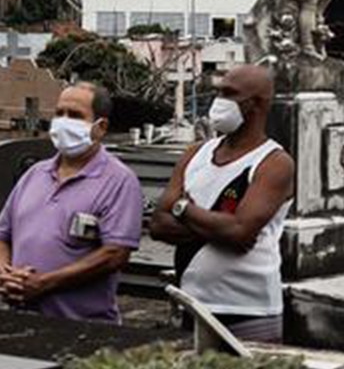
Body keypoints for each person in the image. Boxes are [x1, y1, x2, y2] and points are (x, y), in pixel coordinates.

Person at [150, 65, 294, 343]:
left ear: (257, 104)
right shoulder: (196, 153)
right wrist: (220, 228)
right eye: (218, 92)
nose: (219, 101)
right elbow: (158, 224)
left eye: (229, 94)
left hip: (248, 309)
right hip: (192, 302)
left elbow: (239, 231)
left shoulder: (274, 162)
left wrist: (184, 209)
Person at [0, 83, 143, 323]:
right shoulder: (35, 174)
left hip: (83, 325)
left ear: (101, 127)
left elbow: (115, 254)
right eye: (60, 113)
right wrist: (5, 274)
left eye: (75, 115)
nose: (64, 122)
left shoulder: (118, 181)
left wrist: (45, 283)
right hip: (20, 317)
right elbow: (3, 234)